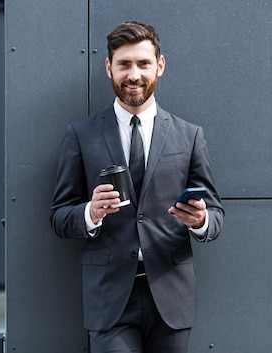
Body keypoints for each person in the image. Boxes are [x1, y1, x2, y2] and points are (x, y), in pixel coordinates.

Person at [50, 21, 224, 353]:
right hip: (109, 297)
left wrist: (200, 220)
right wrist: (90, 212)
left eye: (143, 64)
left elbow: (215, 214)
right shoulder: (81, 135)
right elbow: (59, 216)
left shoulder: (189, 136)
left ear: (159, 65)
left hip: (170, 296)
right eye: (124, 64)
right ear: (109, 68)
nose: (134, 75)